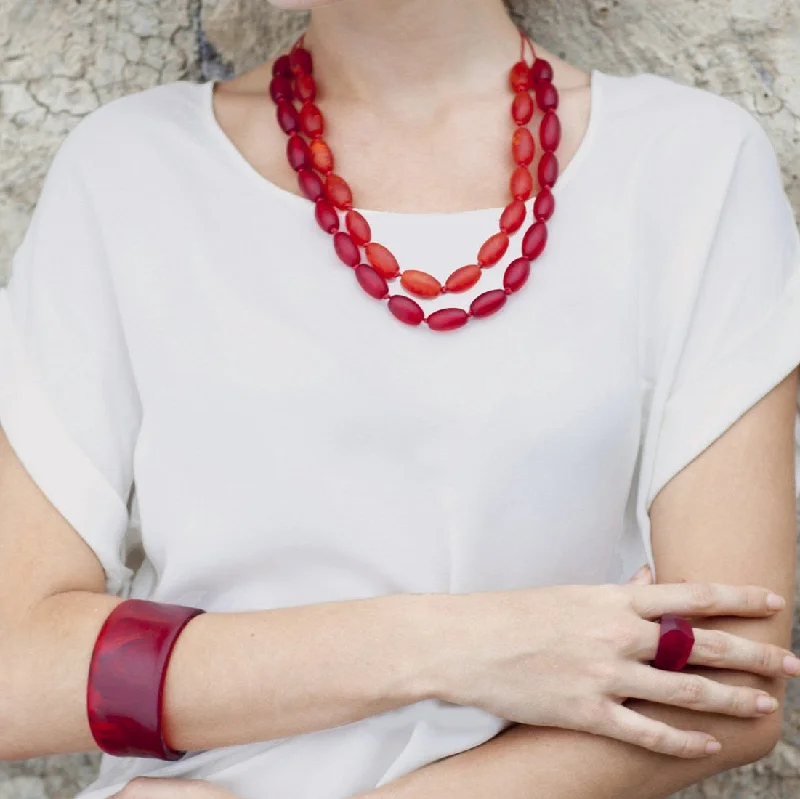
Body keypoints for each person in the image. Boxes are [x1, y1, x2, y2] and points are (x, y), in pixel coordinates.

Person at [1, 0, 799, 797]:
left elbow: (728, 690)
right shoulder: (131, 167)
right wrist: (454, 646)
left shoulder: (688, 163)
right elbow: (15, 670)